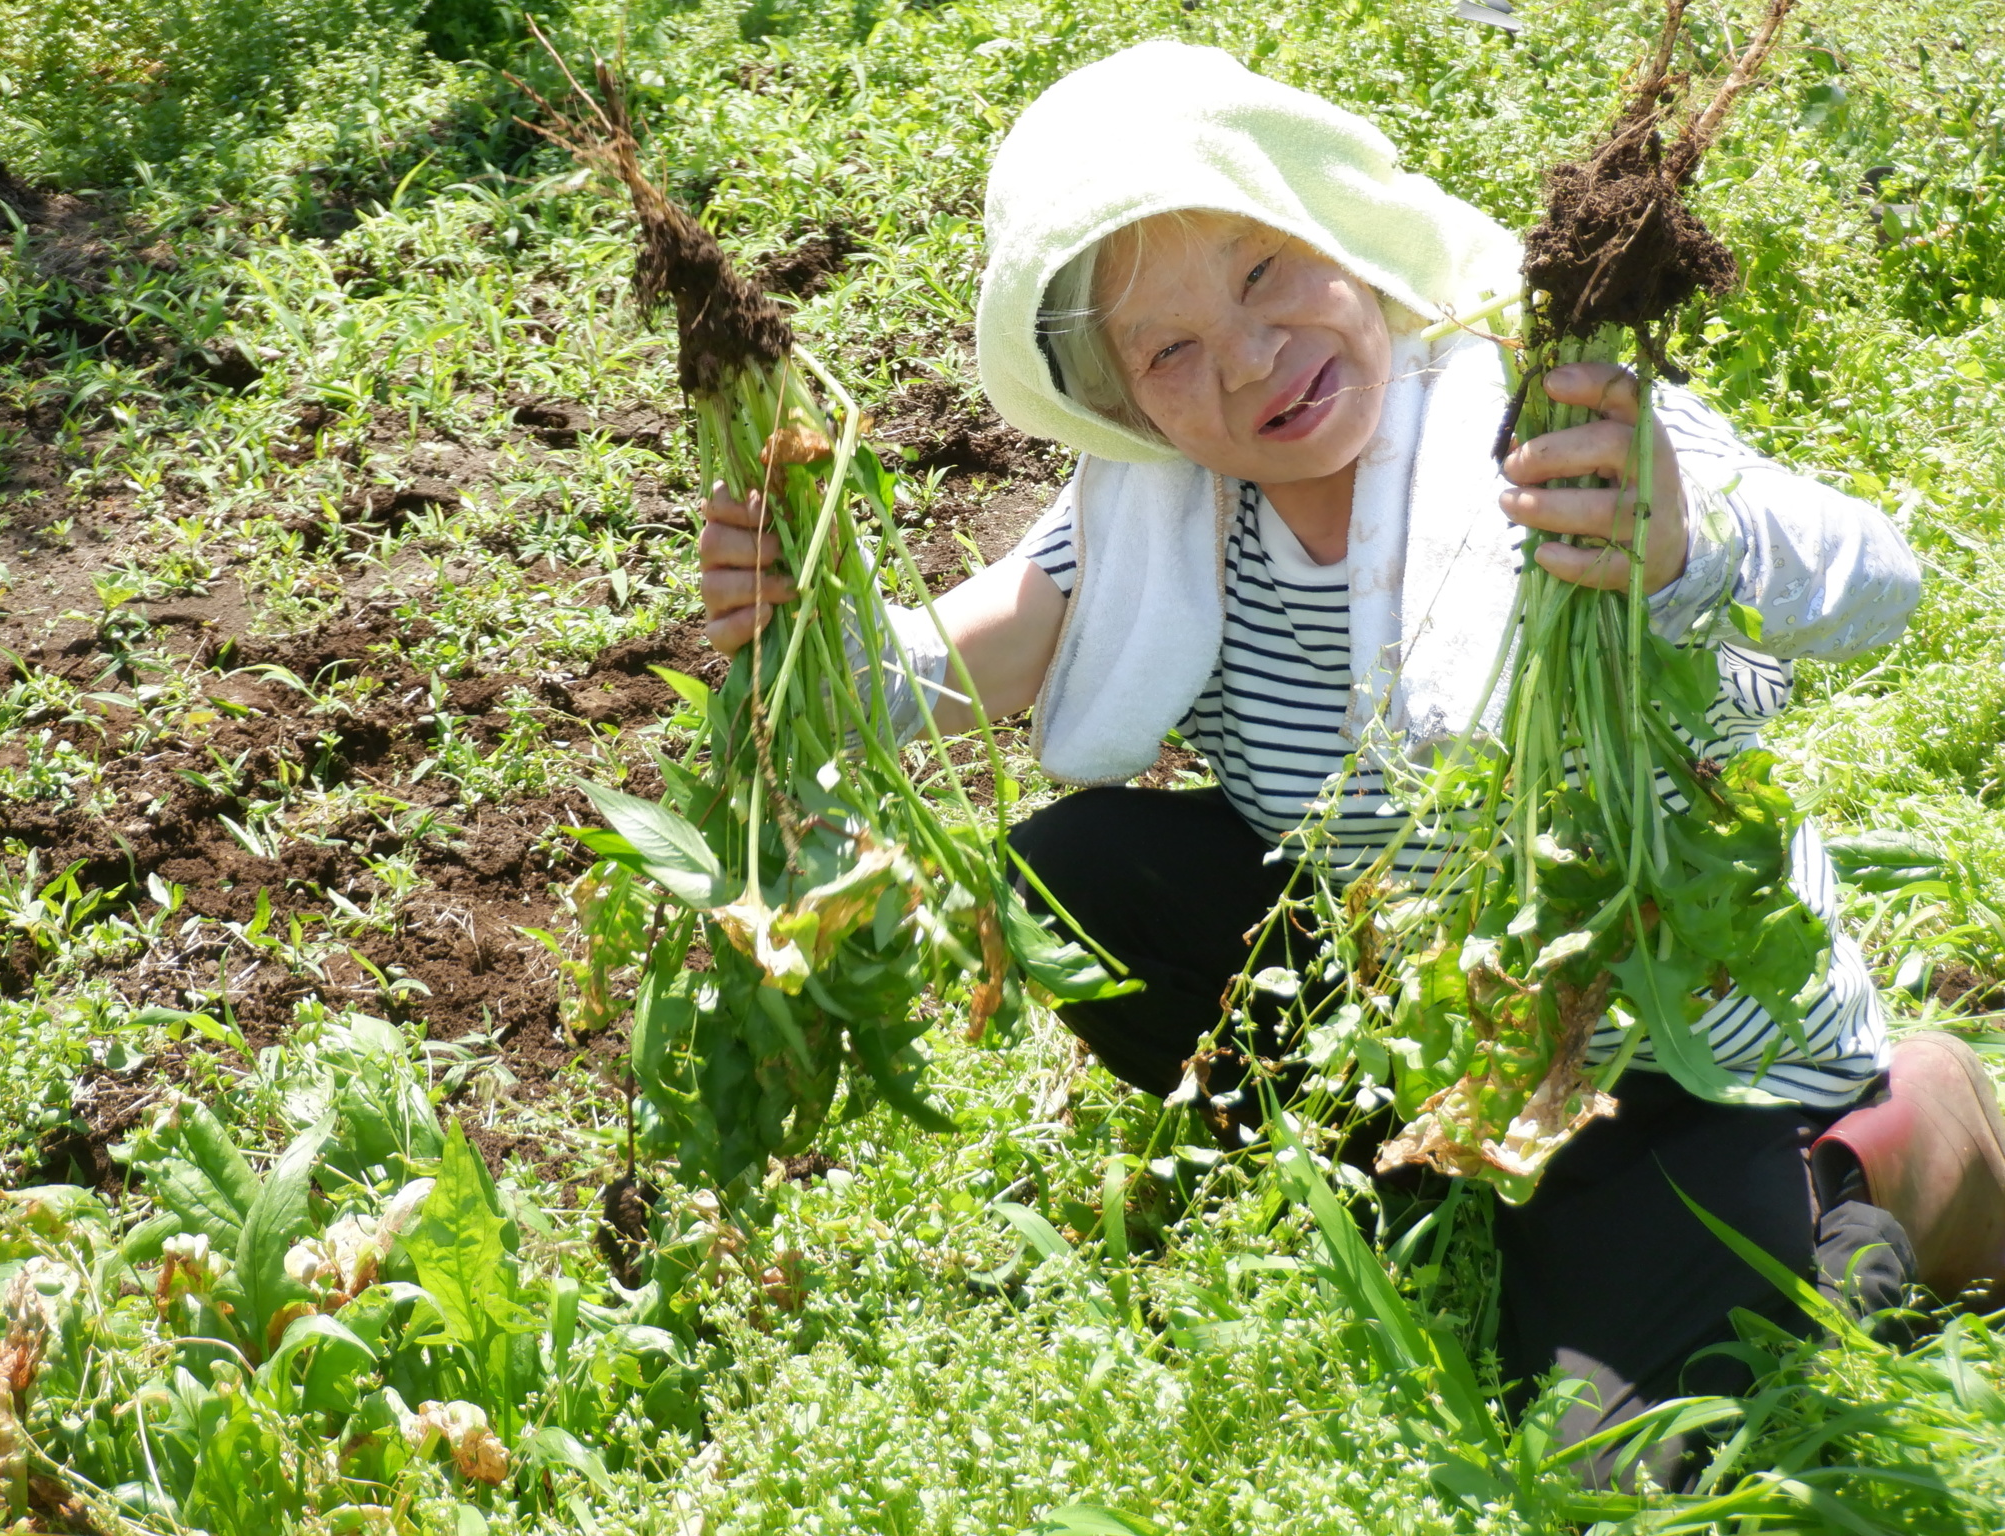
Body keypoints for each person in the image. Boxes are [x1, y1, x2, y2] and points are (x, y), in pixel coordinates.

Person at [696, 41, 2005, 1483]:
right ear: (1129, 407)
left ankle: (1895, 1149)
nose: (1250, 361)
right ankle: (1422, 1176)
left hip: (1669, 1039)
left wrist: (1688, 541)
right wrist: (806, 631)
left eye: (1264, 274)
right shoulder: (1164, 515)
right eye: (1171, 350)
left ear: (1343, 237)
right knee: (1076, 878)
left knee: (1628, 1460)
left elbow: (1877, 582)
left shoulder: (1542, 439)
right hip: (1434, 1012)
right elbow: (948, 669)